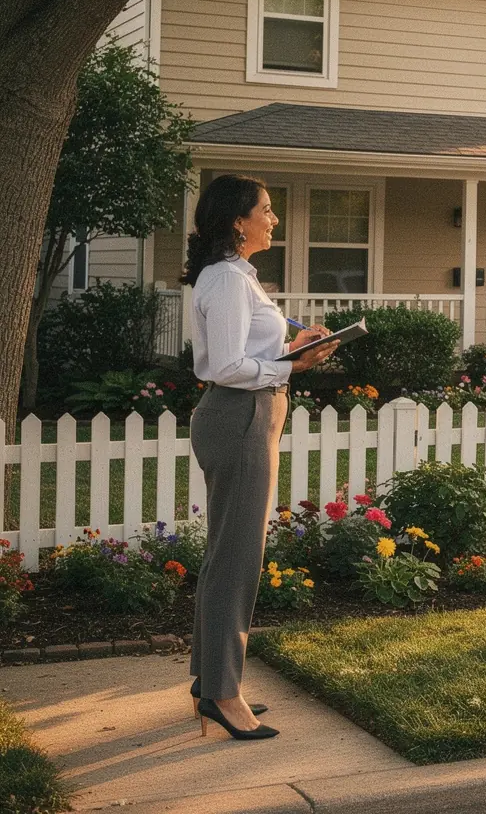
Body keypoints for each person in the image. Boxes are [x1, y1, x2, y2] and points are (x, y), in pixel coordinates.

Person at [182, 174, 337, 741]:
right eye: (266, 211)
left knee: (230, 552)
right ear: (236, 221)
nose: (274, 219)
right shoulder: (225, 279)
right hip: (238, 415)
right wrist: (291, 367)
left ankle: (209, 683)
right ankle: (224, 694)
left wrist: (294, 351)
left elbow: (246, 351)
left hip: (253, 414)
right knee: (237, 557)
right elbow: (225, 366)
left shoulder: (239, 278)